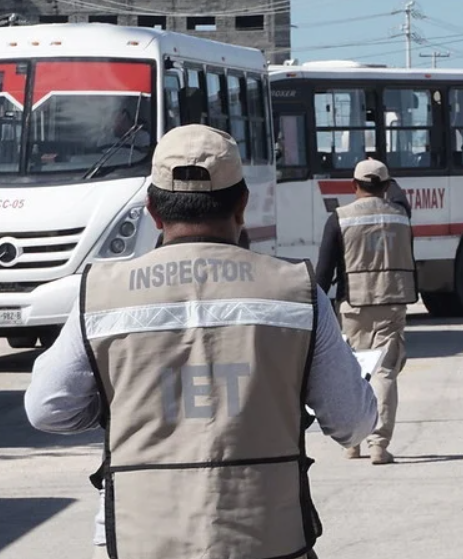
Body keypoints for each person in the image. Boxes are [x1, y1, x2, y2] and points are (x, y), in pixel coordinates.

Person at [25, 124, 378, 559]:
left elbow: (47, 409)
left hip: (138, 538)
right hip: (269, 539)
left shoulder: (100, 292)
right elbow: (354, 424)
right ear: (242, 204)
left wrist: (117, 405)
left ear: (153, 209)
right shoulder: (299, 291)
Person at [314, 158, 417, 465]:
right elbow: (399, 197)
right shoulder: (400, 215)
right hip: (391, 302)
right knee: (384, 372)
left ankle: (352, 442)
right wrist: (388, 183)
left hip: (353, 305)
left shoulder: (339, 219)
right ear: (386, 186)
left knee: (356, 372)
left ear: (353, 185)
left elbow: (323, 271)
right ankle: (379, 445)